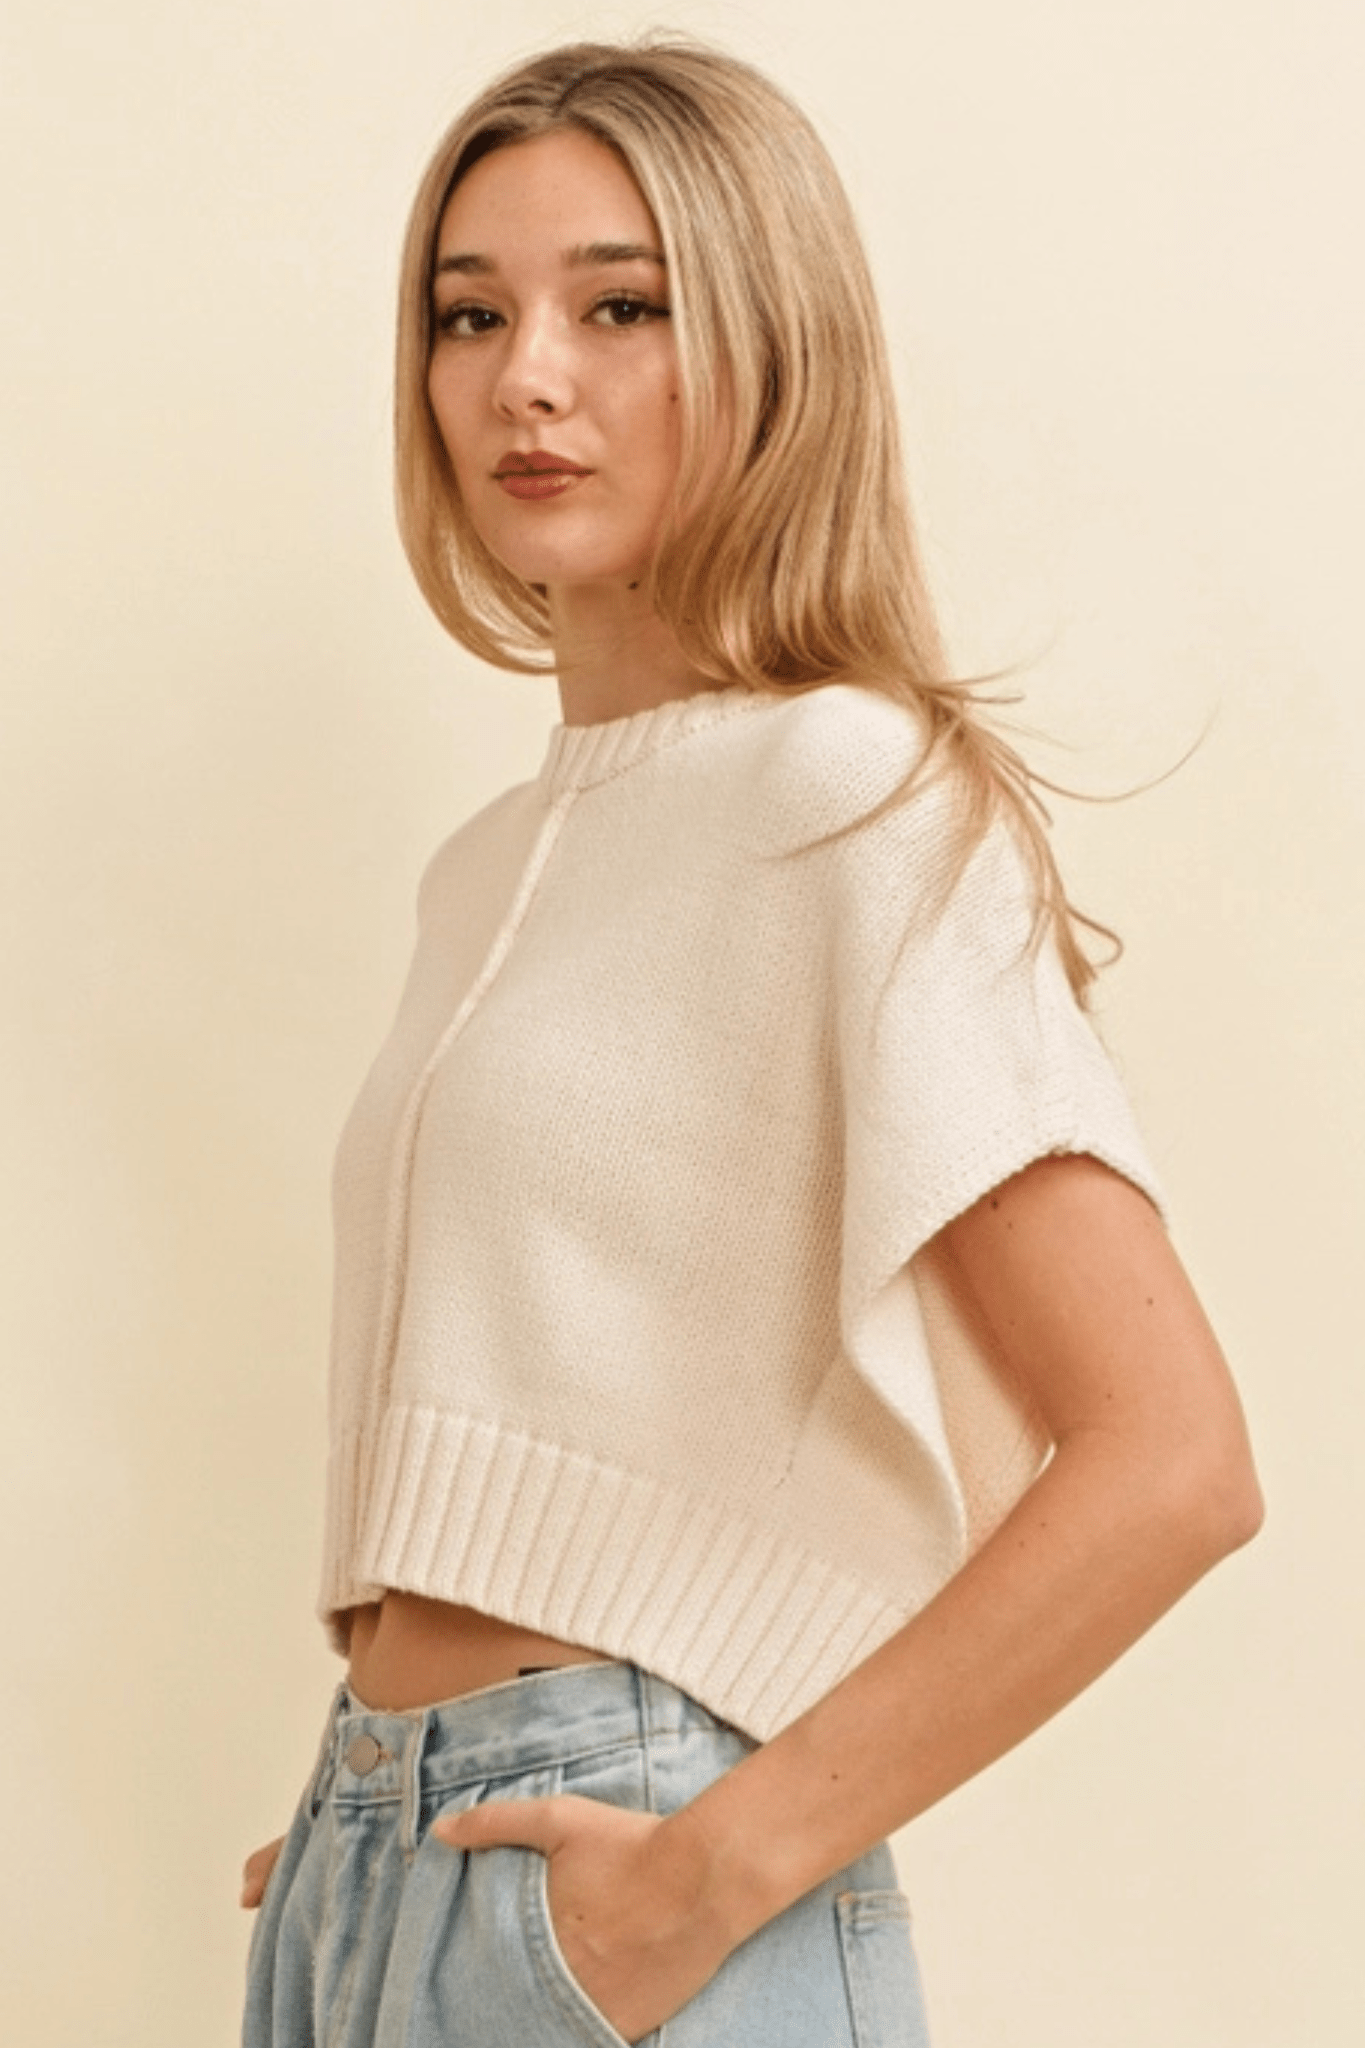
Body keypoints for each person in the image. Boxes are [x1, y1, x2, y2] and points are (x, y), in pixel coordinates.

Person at [239, 33, 1262, 2048]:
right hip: (381, 1868)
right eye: (471, 314)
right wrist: (382, 1830)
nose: (527, 377)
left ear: (772, 349)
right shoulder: (484, 867)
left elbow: (1173, 1461)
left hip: (630, 1870)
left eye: (622, 307)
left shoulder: (848, 795)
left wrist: (701, 1873)